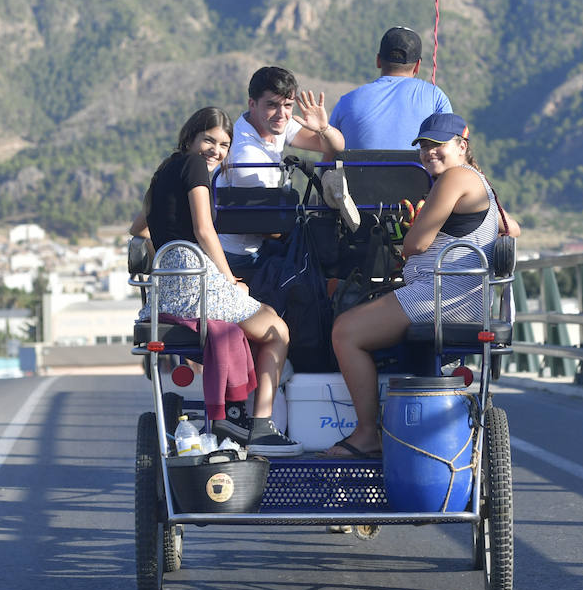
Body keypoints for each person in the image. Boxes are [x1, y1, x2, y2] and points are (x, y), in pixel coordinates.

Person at [326, 113, 521, 458]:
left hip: (443, 296)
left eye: (438, 145)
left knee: (346, 331)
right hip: (466, 297)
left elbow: (414, 244)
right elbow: (512, 228)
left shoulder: (454, 178)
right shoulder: (481, 182)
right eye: (424, 146)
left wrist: (414, 230)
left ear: (462, 147)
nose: (430, 152)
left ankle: (368, 433)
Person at [131, 106, 303, 456]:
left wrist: (165, 252)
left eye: (224, 145)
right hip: (196, 278)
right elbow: (204, 231)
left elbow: (139, 229)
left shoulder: (164, 169)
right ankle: (262, 426)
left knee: (265, 313)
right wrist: (231, 280)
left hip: (169, 284)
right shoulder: (194, 166)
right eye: (209, 140)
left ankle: (235, 413)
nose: (216, 151)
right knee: (278, 332)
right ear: (191, 138)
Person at [216, 66, 345, 278]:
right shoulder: (247, 157)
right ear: (252, 104)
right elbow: (265, 225)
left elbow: (335, 146)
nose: (282, 114)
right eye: (272, 105)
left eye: (287, 105)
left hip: (262, 238)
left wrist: (323, 128)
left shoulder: (270, 124)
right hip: (242, 255)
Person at [329, 27, 452, 150]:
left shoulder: (346, 101)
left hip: (358, 170)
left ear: (378, 61)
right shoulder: (436, 97)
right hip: (417, 169)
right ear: (417, 66)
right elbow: (450, 150)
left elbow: (330, 154)